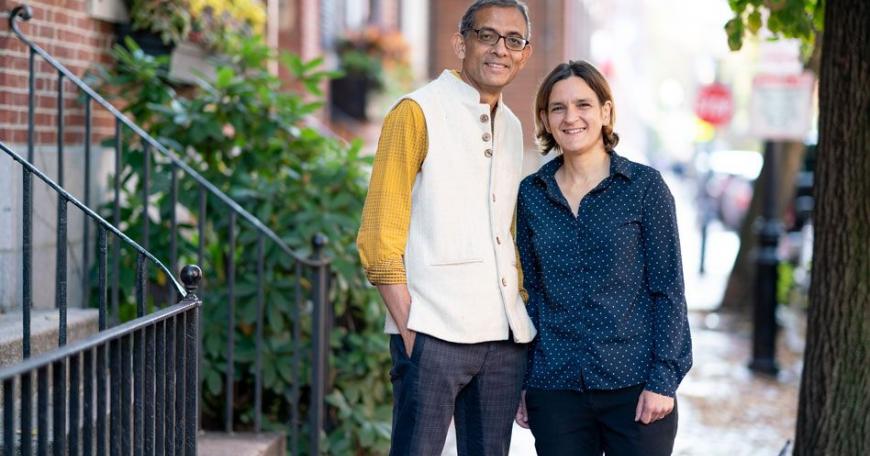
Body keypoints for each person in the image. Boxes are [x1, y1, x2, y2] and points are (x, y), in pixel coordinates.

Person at [356, 1, 536, 454]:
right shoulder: (415, 112)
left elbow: (508, 235)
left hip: (502, 340)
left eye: (513, 40)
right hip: (432, 333)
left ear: (525, 55)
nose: (500, 49)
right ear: (461, 42)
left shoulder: (513, 127)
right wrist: (411, 330)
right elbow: (380, 235)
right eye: (487, 35)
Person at [513, 60, 693, 456]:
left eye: (583, 105)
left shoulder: (644, 187)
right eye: (558, 108)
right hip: (555, 385)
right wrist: (525, 380)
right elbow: (531, 295)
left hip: (635, 384)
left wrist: (663, 379)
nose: (571, 117)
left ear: (606, 112)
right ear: (545, 118)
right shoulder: (531, 194)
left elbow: (668, 289)